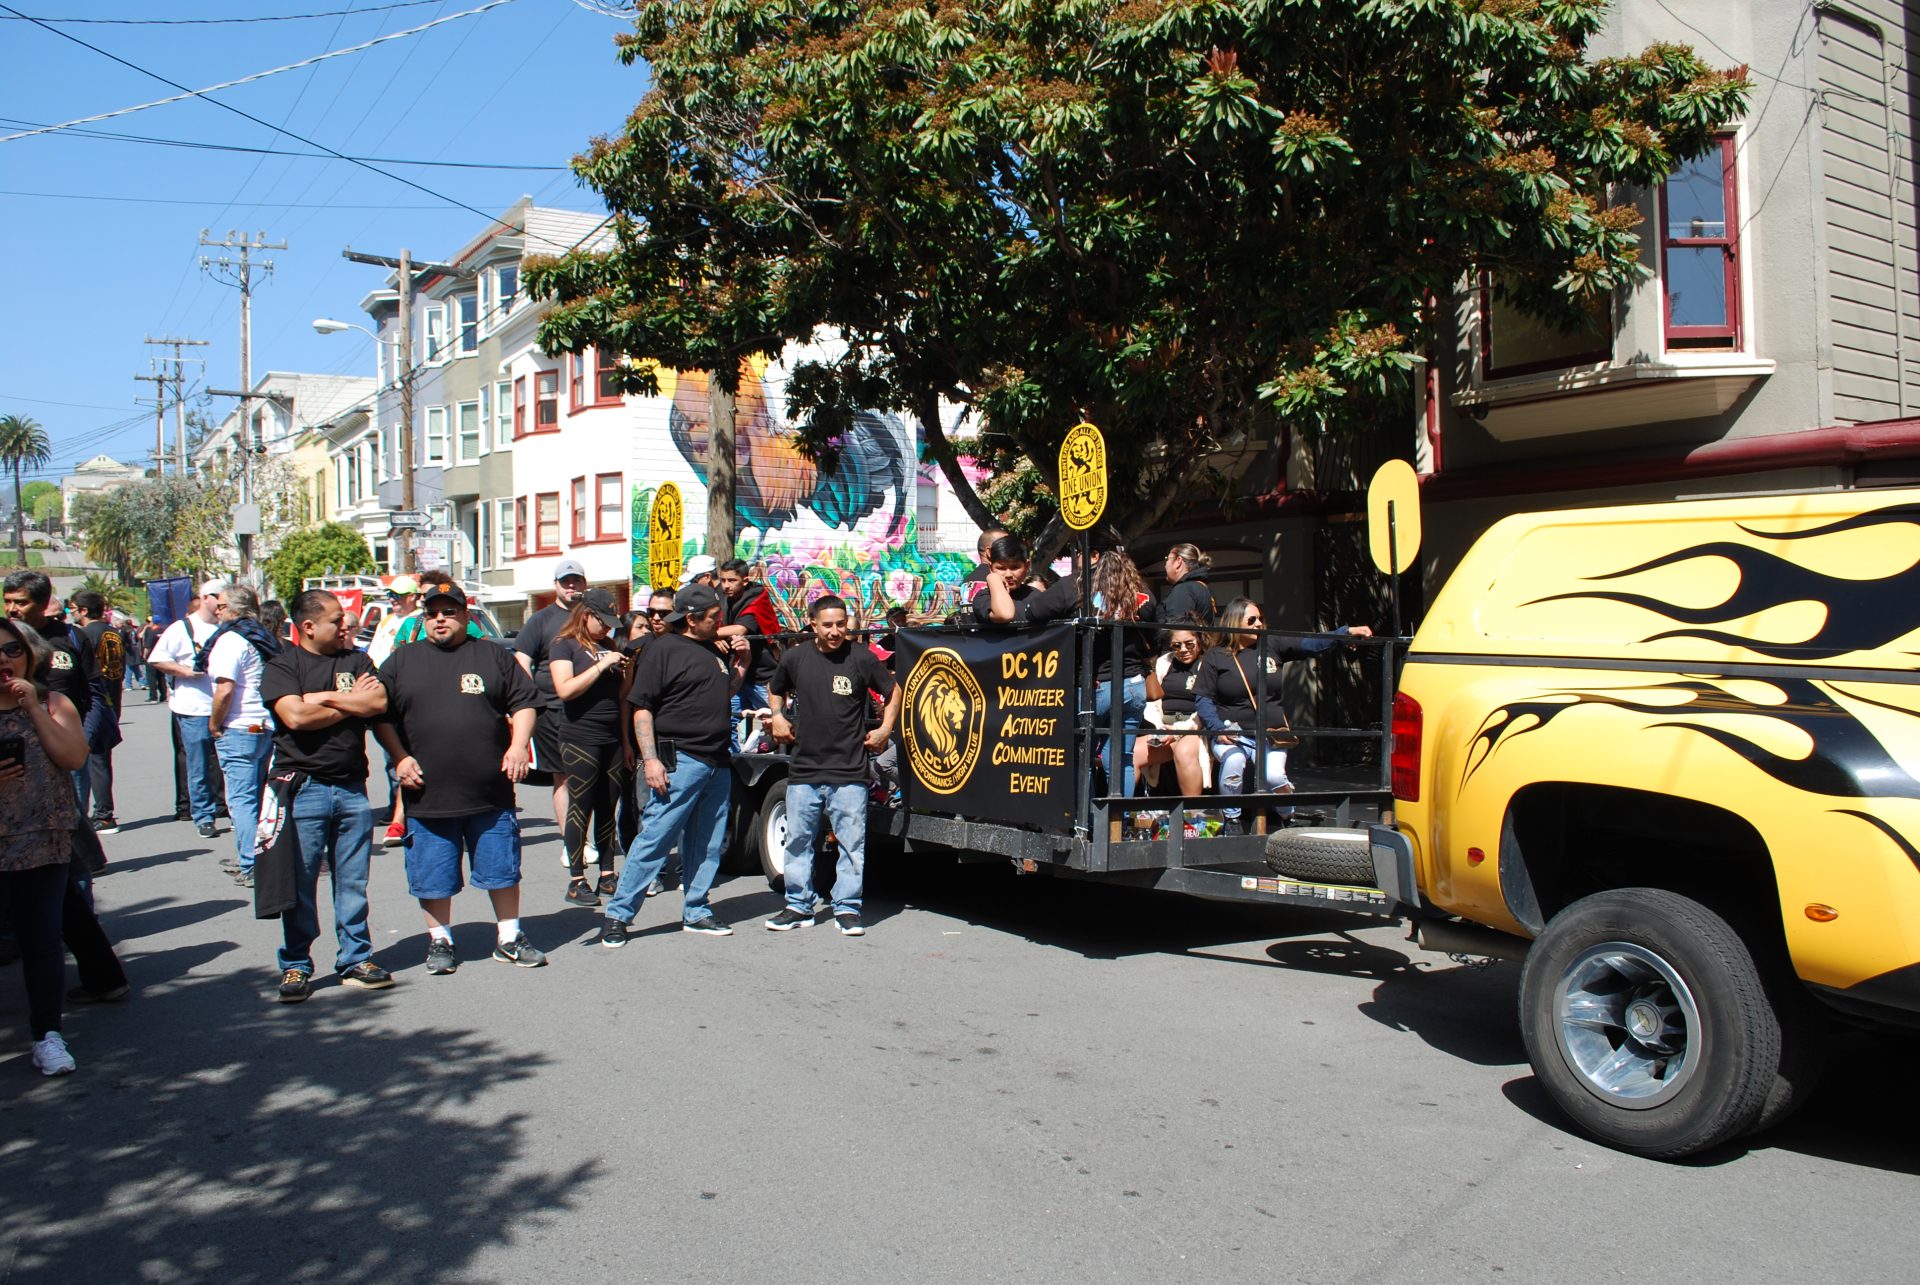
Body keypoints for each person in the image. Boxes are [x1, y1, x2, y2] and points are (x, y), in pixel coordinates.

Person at [375, 582, 545, 973]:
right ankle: (440, 941)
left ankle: (508, 936)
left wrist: (519, 745)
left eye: (449, 611)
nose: (440, 618)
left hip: (490, 792)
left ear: (465, 616)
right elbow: (379, 715)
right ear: (424, 617)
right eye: (433, 612)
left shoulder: (492, 656)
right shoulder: (402, 661)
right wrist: (399, 758)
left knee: (502, 869)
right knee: (432, 876)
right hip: (428, 794)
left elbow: (524, 702)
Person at [259, 589, 394, 1002]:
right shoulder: (283, 666)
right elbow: (295, 716)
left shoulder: (355, 660)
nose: (346, 626)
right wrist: (354, 704)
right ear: (308, 626)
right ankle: (297, 964)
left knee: (353, 882)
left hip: (353, 789)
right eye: (337, 620)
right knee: (300, 884)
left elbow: (379, 700)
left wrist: (327, 698)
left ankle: (356, 958)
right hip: (302, 790)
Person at [599, 583, 750, 946]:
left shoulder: (712, 650)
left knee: (707, 843)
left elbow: (722, 693)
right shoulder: (662, 649)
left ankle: (696, 910)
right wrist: (650, 759)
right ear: (692, 618)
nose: (720, 623)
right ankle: (619, 915)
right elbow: (642, 707)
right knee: (655, 837)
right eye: (713, 618)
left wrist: (741, 666)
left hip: (717, 761)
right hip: (680, 759)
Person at [763, 595, 899, 936]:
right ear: (813, 625)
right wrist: (778, 717)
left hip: (849, 769)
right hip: (805, 768)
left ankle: (848, 908)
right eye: (828, 625)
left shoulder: (862, 658)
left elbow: (894, 690)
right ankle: (798, 906)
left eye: (841, 624)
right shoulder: (795, 658)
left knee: (851, 844)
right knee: (797, 840)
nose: (836, 631)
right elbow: (775, 687)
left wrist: (884, 729)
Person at [1195, 597, 1373, 835]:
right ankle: (1232, 820)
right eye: (1252, 619)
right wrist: (1218, 729)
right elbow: (1203, 698)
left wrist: (1344, 634)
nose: (1258, 624)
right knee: (1234, 762)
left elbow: (1310, 643)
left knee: (1274, 776)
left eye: (1260, 618)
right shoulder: (1216, 656)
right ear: (1234, 621)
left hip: (1272, 732)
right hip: (1233, 733)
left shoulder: (1271, 644)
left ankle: (1288, 817)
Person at [0, 616, 91, 1075]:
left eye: (12, 650)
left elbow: (73, 757)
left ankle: (47, 1035)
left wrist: (33, 707)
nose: (3, 659)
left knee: (42, 942)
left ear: (29, 655)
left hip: (41, 839)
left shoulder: (54, 702)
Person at [547, 587, 629, 907]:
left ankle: (607, 874)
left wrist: (626, 668)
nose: (608, 629)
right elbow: (565, 689)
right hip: (579, 736)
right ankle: (577, 880)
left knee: (609, 805)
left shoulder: (607, 645)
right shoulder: (564, 646)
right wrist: (600, 664)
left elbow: (621, 697)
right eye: (603, 621)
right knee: (581, 806)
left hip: (611, 737)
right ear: (586, 615)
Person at [204, 584, 282, 887]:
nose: (217, 611)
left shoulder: (231, 640)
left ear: (235, 609)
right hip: (263, 724)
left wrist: (214, 724)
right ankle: (254, 857)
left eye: (221, 606)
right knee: (258, 798)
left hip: (240, 726)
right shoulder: (262, 637)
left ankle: (251, 864)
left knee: (242, 800)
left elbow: (225, 688)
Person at [515, 558, 591, 866]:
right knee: (564, 777)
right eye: (565, 581)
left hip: (590, 708)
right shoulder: (541, 620)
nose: (571, 586)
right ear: (556, 585)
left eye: (576, 581)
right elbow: (521, 659)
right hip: (552, 708)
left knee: (590, 777)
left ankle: (591, 837)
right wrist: (531, 697)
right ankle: (573, 842)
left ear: (585, 584)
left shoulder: (593, 616)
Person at [146, 582, 229, 835]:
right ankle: (203, 815)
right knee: (198, 764)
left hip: (226, 707)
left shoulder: (226, 627)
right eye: (220, 600)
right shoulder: (182, 628)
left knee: (230, 763)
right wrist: (185, 672)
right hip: (194, 708)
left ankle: (232, 809)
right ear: (206, 598)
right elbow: (156, 658)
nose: (223, 606)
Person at [1136, 622, 1212, 805]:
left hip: (1195, 728)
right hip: (1164, 728)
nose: (1183, 650)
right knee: (1134, 751)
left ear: (1199, 640)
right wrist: (1159, 728)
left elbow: (1209, 708)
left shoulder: (1209, 664)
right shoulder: (1164, 662)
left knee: (1184, 752)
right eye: (1176, 645)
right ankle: (1119, 818)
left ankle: (1192, 816)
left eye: (1189, 643)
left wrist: (1178, 730)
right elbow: (1152, 702)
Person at [68, 591, 125, 835]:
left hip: (95, 702)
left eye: (73, 608)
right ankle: (103, 812)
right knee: (101, 760)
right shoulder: (113, 632)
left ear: (83, 610)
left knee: (91, 761)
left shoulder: (83, 635)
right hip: (112, 699)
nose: (71, 613)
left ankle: (100, 815)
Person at [717, 558, 781, 744]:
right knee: (728, 722)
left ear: (745, 580)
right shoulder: (723, 598)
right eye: (723, 580)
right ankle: (734, 766)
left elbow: (740, 629)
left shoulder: (756, 597)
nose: (726, 585)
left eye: (731, 580)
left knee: (776, 722)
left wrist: (711, 635)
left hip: (761, 675)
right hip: (735, 671)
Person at [364, 576, 420, 668]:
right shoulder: (386, 620)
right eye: (390, 594)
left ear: (412, 596)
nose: (392, 599)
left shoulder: (421, 620)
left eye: (397, 595)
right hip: (377, 675)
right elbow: (372, 652)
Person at [1159, 544, 1217, 626]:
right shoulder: (1202, 587)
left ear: (1178, 561)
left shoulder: (1183, 590)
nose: (1165, 565)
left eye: (1167, 559)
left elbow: (1177, 631)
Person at [140, 615, 168, 702]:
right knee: (161, 677)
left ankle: (153, 697)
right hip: (162, 657)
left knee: (151, 677)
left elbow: (147, 646)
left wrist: (144, 656)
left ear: (152, 622)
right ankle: (163, 696)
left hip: (152, 657)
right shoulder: (163, 631)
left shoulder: (151, 632)